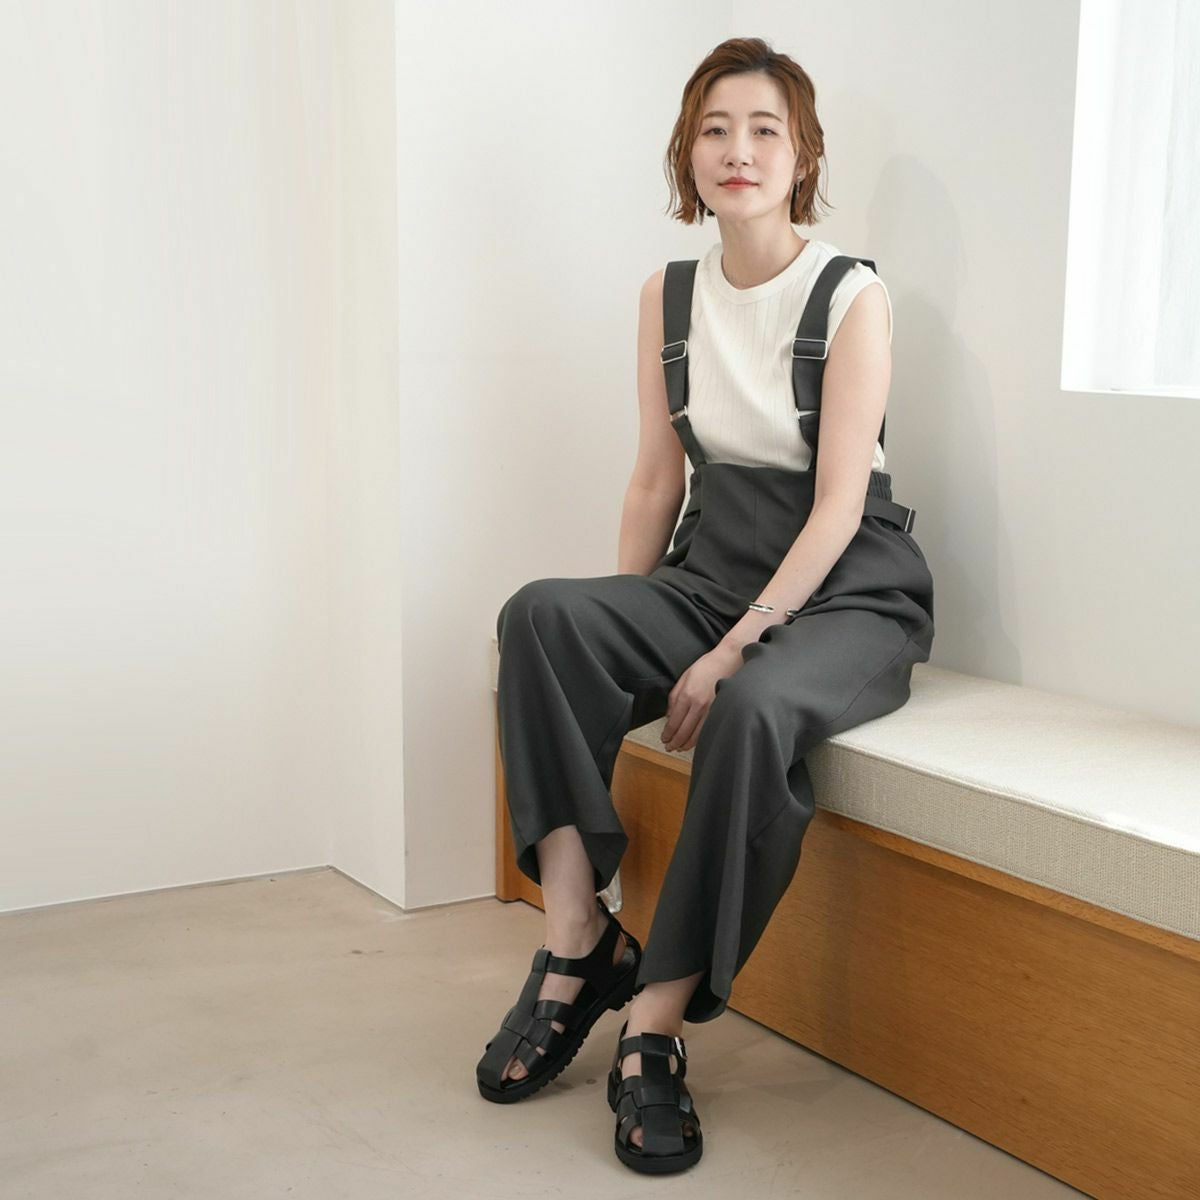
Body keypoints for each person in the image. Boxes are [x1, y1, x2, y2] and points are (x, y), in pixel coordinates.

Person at [475, 36, 935, 1175]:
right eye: (715, 130)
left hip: (847, 590)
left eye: (765, 130)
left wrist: (732, 648)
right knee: (542, 617)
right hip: (711, 563)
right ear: (687, 152)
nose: (739, 150)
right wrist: (628, 633)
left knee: (754, 708)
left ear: (803, 155)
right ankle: (577, 940)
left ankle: (655, 1020)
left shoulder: (851, 296)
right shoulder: (668, 296)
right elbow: (656, 478)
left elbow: (838, 508)